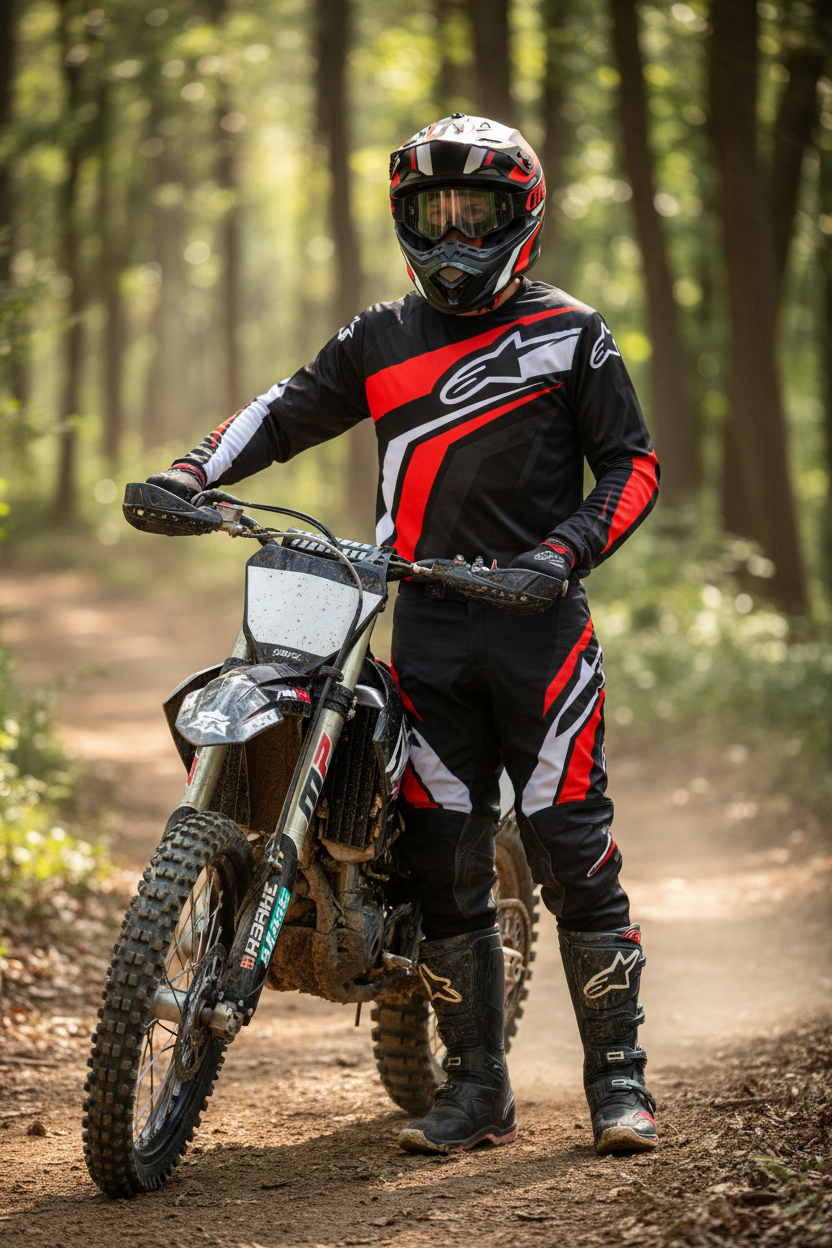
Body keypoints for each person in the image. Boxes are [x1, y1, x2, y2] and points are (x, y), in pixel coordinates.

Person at [147, 113, 660, 1158]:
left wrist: (558, 555)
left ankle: (618, 1082)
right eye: (434, 213)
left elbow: (631, 466)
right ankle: (477, 1089)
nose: (455, 235)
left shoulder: (575, 334)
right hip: (421, 630)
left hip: (540, 633)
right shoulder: (377, 337)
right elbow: (287, 410)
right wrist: (190, 474)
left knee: (571, 845)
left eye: (477, 214)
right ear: (406, 220)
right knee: (439, 857)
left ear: (521, 218)